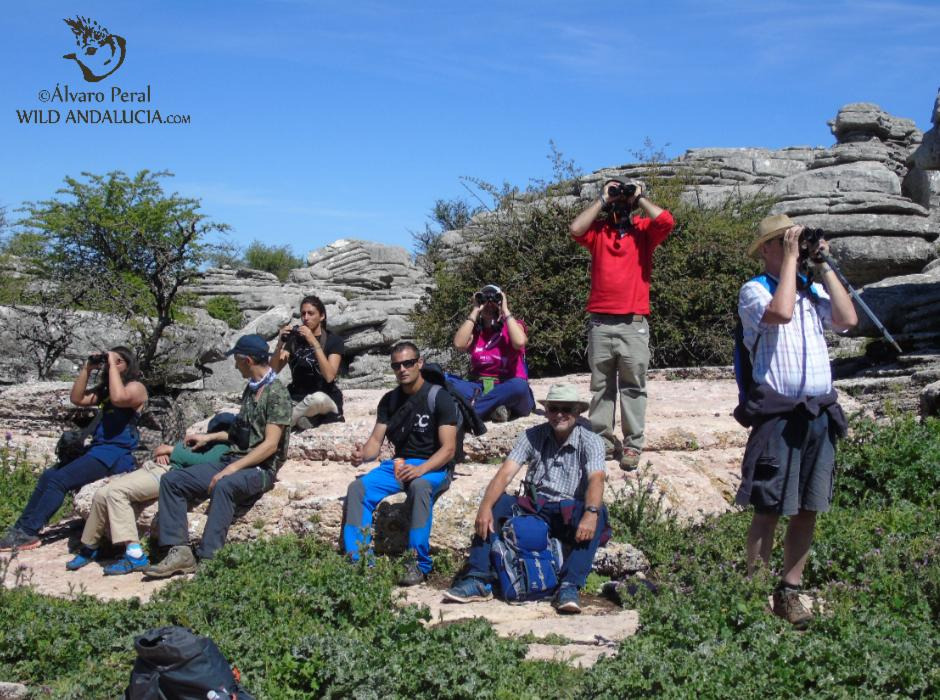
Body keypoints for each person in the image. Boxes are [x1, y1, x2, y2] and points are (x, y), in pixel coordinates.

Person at [736, 214, 857, 627]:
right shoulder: (754, 290)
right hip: (777, 416)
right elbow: (781, 313)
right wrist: (791, 259)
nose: (792, 246)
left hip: (818, 412)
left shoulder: (814, 290)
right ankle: (754, 595)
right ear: (767, 250)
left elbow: (847, 320)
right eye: (782, 242)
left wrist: (821, 263)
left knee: (808, 507)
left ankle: (790, 589)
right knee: (768, 506)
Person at [444, 384, 609, 614]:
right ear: (547, 411)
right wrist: (485, 507)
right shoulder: (532, 436)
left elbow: (596, 479)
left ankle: (570, 585)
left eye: (566, 408)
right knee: (497, 505)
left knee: (598, 513)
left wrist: (590, 514)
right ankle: (478, 578)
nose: (559, 414)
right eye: (553, 408)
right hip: (536, 507)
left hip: (569, 510)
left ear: (578, 412)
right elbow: (506, 473)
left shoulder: (591, 441)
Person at [143, 334, 291, 578]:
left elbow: (269, 446)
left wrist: (231, 470)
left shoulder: (276, 394)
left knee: (225, 485)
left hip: (261, 468)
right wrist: (209, 437)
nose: (234, 365)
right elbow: (242, 432)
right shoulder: (252, 388)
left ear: (248, 360)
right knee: (173, 481)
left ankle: (210, 558)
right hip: (235, 458)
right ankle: (180, 551)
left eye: (237, 360)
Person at [568, 177, 675, 470]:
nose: (619, 198)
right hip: (600, 323)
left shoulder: (643, 231)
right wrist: (604, 199)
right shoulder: (599, 232)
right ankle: (602, 440)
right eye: (615, 192)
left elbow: (666, 221)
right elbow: (575, 229)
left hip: (633, 322)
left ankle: (632, 445)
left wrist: (638, 198)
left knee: (633, 385)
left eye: (621, 193)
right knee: (601, 386)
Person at [0, 347, 148, 552]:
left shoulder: (136, 387)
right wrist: (87, 369)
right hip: (98, 449)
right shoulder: (106, 389)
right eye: (111, 361)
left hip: (114, 454)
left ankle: (29, 532)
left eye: (119, 361)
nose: (112, 364)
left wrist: (111, 364)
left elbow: (119, 398)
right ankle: (20, 529)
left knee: (59, 481)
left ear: (129, 365)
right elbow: (77, 398)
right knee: (48, 475)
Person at [342, 342, 458, 586]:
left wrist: (420, 470)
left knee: (419, 487)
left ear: (419, 363)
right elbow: (375, 442)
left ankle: (418, 562)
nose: (402, 369)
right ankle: (360, 560)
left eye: (407, 363)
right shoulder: (389, 401)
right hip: (401, 464)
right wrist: (362, 454)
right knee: (358, 489)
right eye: (396, 365)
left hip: (434, 465)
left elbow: (449, 449)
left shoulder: (439, 397)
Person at [65, 413, 234, 575]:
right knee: (102, 494)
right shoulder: (205, 440)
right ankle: (91, 545)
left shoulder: (224, 447)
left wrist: (171, 450)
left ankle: (135, 555)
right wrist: (167, 452)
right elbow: (176, 450)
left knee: (117, 493)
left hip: (169, 473)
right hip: (154, 467)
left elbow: (201, 461)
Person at [448, 284, 535, 423]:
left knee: (519, 386)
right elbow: (459, 344)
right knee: (442, 378)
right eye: (484, 300)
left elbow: (519, 342)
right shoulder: (475, 331)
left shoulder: (513, 325)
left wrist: (505, 310)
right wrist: (475, 310)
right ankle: (495, 409)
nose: (489, 304)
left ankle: (471, 412)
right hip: (481, 388)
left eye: (494, 300)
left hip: (508, 387)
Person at [271, 295, 345, 431]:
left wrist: (313, 342)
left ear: (321, 316)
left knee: (316, 399)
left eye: (311, 313)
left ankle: (284, 423)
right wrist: (279, 344)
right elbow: (273, 371)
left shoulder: (334, 341)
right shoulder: (294, 340)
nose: (306, 317)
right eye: (303, 314)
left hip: (323, 396)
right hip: (297, 396)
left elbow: (329, 376)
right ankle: (301, 419)